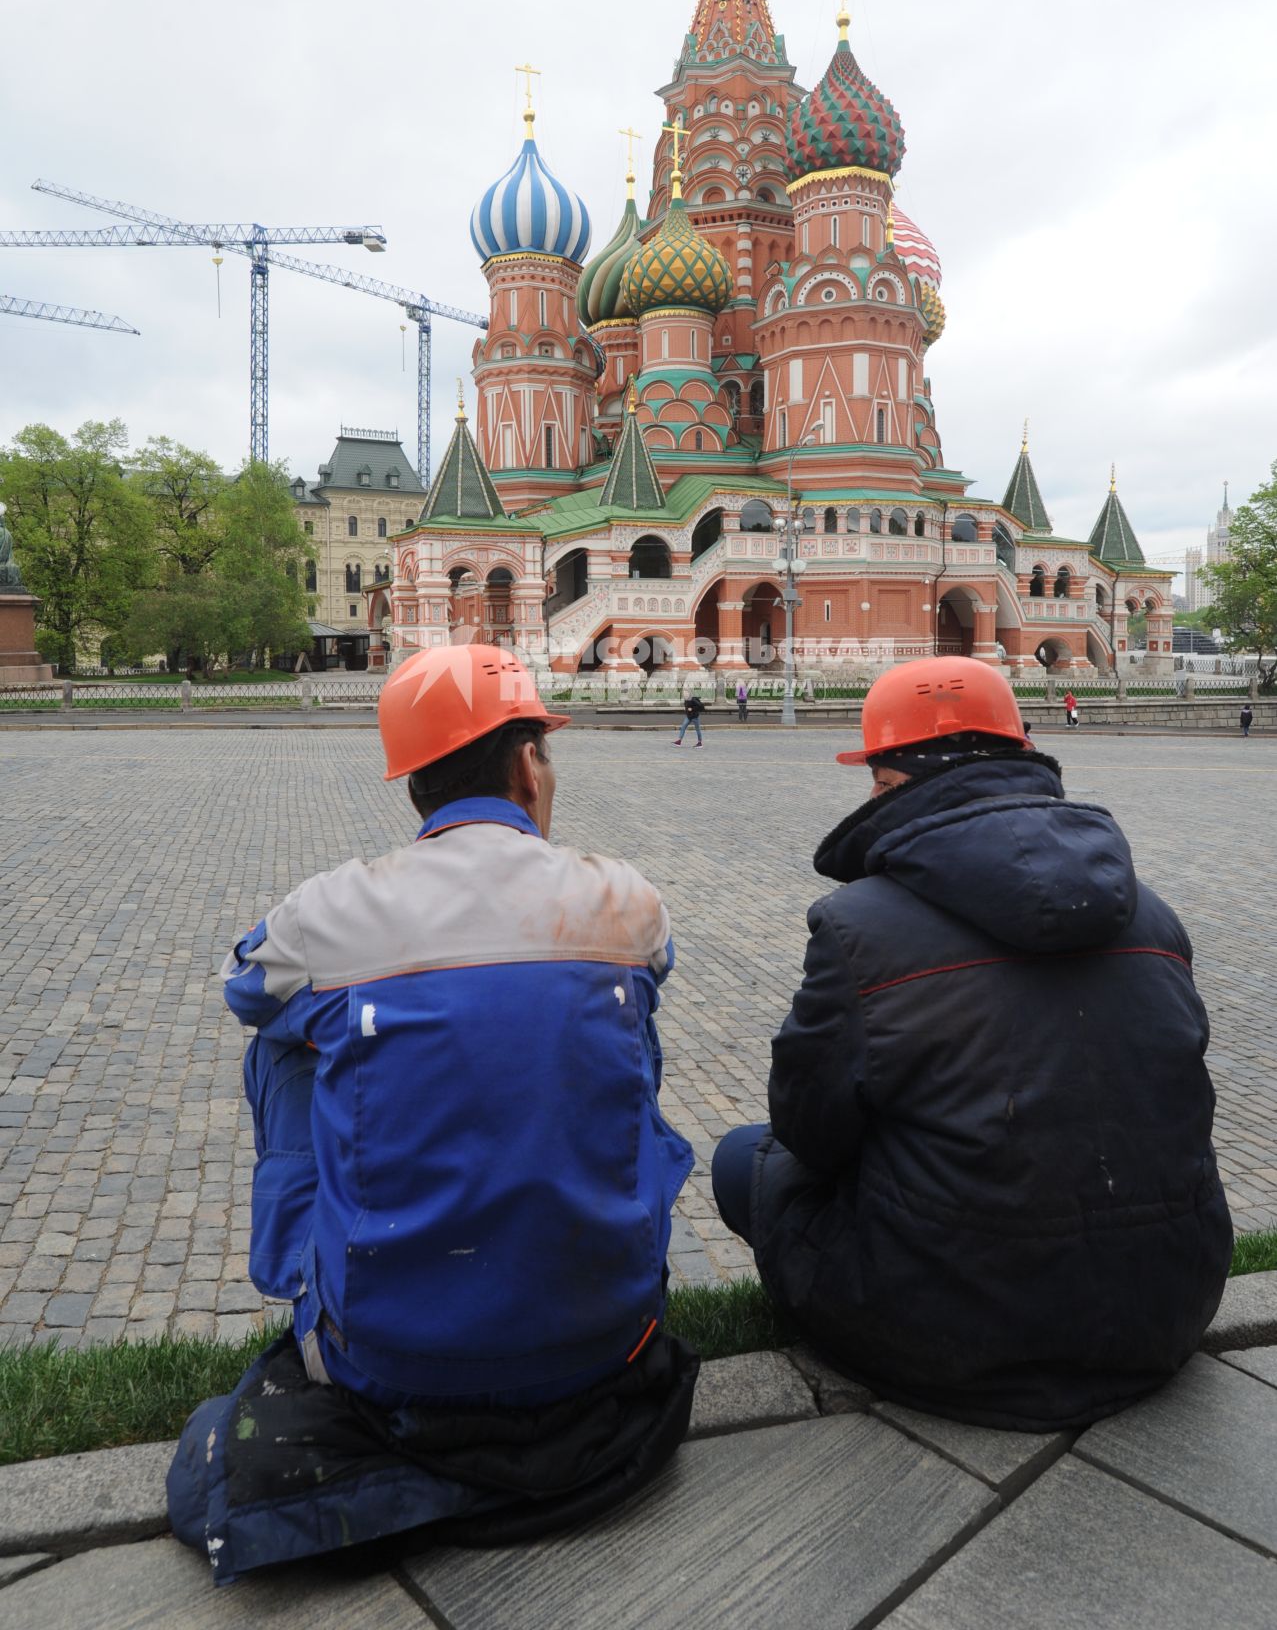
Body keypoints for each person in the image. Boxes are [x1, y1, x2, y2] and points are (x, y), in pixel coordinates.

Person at [168, 644, 698, 1585]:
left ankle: (302, 1271)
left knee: (286, 1046)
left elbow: (246, 991)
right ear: (528, 764)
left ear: (412, 779)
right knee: (605, 1020)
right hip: (610, 1339)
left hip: (392, 1367)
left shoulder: (330, 908)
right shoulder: (628, 900)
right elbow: (644, 974)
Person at [711, 657, 1232, 1433]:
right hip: (1166, 1307)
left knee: (740, 1158)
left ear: (887, 782)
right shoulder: (1151, 914)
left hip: (953, 1337)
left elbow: (809, 1135)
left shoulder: (858, 925)